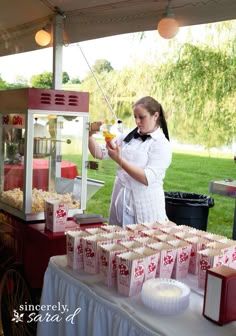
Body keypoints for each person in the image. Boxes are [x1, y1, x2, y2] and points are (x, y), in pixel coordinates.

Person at [88, 96, 172, 227]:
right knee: (116, 241)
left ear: (155, 115)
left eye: (141, 117)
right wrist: (89, 135)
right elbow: (99, 153)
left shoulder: (162, 144)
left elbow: (146, 178)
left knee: (141, 243)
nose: (137, 121)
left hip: (145, 204)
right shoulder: (128, 136)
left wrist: (119, 160)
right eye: (135, 117)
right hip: (121, 198)